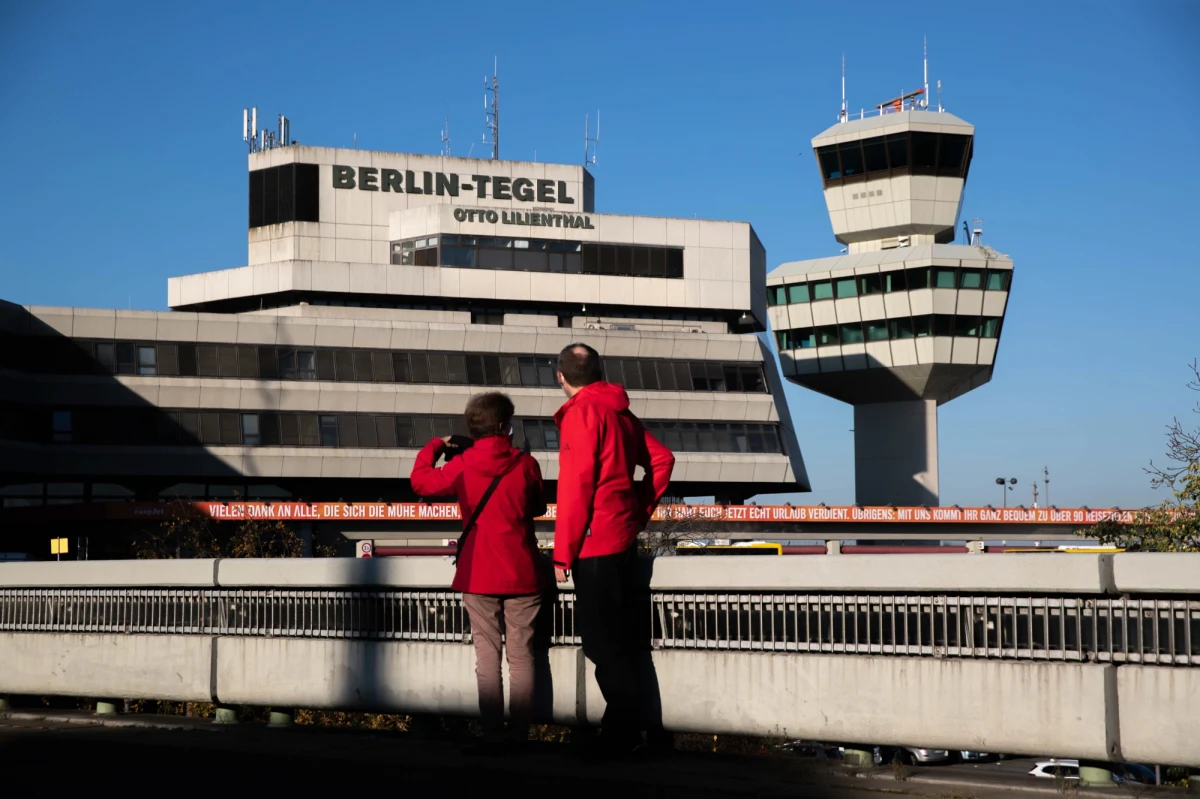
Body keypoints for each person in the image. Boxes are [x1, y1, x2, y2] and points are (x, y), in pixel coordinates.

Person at [552, 342, 675, 757]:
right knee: (621, 640)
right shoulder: (619, 412)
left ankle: (622, 732)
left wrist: (562, 552)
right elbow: (662, 460)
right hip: (621, 538)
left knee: (603, 644)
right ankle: (634, 729)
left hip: (593, 543)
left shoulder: (581, 414)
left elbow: (575, 488)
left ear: (561, 377)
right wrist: (638, 511)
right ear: (600, 372)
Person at [410, 392, 546, 755]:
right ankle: (520, 735)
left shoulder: (464, 464)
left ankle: (492, 734)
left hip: (478, 572)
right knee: (522, 655)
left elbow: (421, 482)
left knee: (487, 655)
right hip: (522, 571)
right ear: (505, 427)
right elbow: (537, 506)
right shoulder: (526, 464)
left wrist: (437, 445)